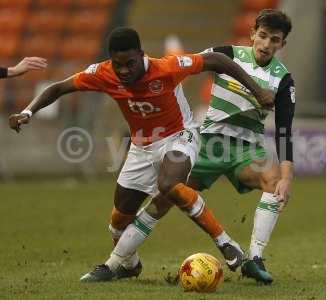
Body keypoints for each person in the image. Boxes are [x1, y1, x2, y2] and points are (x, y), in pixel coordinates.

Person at [8, 27, 274, 281]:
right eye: (117, 64)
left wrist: (257, 90)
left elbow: (216, 59)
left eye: (130, 64)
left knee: (169, 185)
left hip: (180, 136)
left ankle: (225, 243)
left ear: (141, 54)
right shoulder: (103, 73)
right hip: (141, 148)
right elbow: (58, 88)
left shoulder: (167, 67)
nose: (123, 71)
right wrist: (28, 111)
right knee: (117, 223)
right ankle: (129, 265)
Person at [90, 9, 295, 285]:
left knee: (273, 181)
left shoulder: (284, 79)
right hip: (208, 143)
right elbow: (185, 65)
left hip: (247, 149)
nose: (267, 44)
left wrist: (287, 177)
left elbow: (284, 129)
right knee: (164, 198)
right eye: (263, 36)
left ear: (282, 44)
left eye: (275, 39)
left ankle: (255, 259)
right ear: (252, 34)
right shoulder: (227, 55)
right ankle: (115, 263)